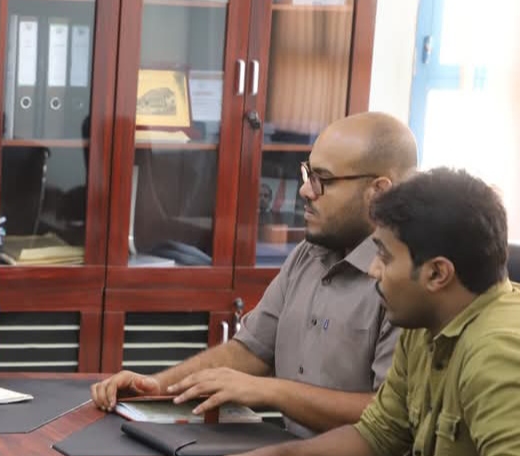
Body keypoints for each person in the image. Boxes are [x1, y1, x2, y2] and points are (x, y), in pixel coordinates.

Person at [177, 168, 520, 456]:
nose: (372, 270)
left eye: (384, 256)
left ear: (437, 273)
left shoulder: (499, 351)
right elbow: (379, 435)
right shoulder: (429, 325)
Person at [92, 112, 419, 436]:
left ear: (379, 191)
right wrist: (157, 386)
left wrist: (272, 391)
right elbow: (250, 350)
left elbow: (389, 418)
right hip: (292, 453)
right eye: (307, 173)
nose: (305, 191)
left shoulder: (408, 283)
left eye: (323, 180)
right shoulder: (308, 254)